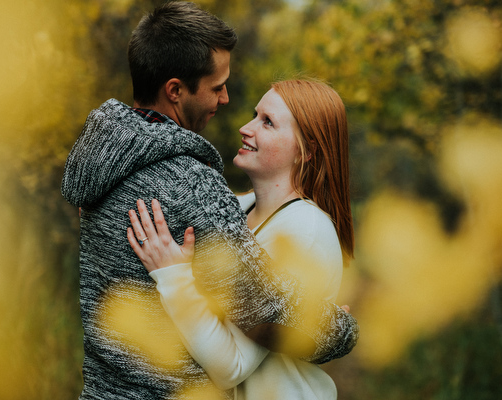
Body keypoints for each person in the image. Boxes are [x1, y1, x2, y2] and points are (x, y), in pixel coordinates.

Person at [61, 2, 358, 399]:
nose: (228, 103)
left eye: (266, 121)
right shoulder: (194, 187)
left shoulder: (102, 168)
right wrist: (339, 331)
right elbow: (266, 311)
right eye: (217, 87)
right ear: (175, 91)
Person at [127, 79, 353, 399]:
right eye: (254, 115)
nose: (246, 128)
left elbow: (230, 366)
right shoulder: (236, 207)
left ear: (307, 151)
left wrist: (173, 276)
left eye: (268, 122)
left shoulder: (307, 231)